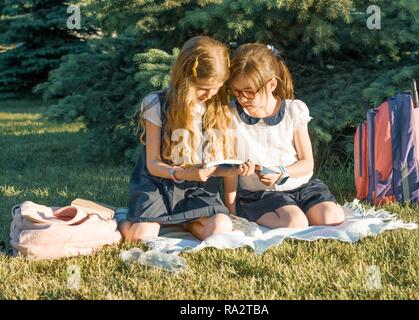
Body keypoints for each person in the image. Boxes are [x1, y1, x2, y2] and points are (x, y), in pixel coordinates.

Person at [116, 36, 237, 242]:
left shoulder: (219, 109)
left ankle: (186, 221)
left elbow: (220, 167)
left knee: (222, 227)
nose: (210, 94)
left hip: (198, 190)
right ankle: (122, 217)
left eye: (217, 87)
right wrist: (184, 172)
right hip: (159, 185)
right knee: (141, 237)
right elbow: (153, 164)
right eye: (203, 88)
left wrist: (233, 172)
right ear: (185, 79)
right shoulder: (156, 103)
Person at [228, 43, 345, 229]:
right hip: (262, 194)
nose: (242, 98)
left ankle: (300, 208)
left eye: (249, 92)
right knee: (295, 222)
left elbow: (307, 162)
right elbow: (229, 168)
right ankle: (260, 212)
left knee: (331, 217)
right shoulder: (231, 115)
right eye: (236, 92)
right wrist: (232, 209)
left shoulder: (293, 110)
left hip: (301, 187)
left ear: (271, 84)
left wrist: (282, 172)